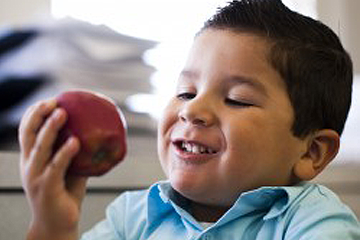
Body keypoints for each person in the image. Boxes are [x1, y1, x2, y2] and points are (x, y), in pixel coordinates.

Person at [19, 0, 360, 239]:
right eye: (186, 91)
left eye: (236, 100)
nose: (191, 110)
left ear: (311, 152)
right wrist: (54, 227)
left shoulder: (312, 221)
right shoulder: (132, 217)